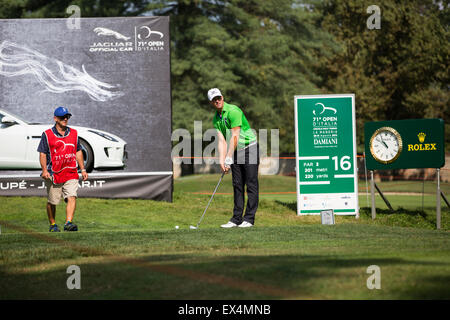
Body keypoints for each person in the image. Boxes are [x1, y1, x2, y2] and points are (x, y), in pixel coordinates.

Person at [208, 88, 259, 228]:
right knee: (237, 184)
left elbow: (235, 136)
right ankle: (236, 219)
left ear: (222, 97)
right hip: (235, 151)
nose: (217, 101)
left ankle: (249, 219)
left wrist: (229, 156)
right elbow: (222, 141)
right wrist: (222, 160)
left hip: (250, 148)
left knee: (251, 183)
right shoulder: (216, 119)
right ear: (211, 102)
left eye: (218, 98)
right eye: (214, 99)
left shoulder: (233, 111)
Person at [37, 106, 88, 232]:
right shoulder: (47, 135)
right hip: (53, 174)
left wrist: (83, 169)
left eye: (67, 117)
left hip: (70, 171)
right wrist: (44, 170)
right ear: (55, 118)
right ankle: (53, 224)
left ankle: (68, 223)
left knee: (72, 196)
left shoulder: (74, 133)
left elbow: (78, 151)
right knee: (52, 202)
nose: (65, 119)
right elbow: (42, 153)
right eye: (62, 117)